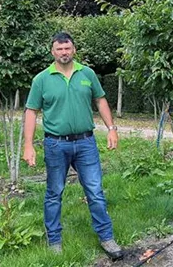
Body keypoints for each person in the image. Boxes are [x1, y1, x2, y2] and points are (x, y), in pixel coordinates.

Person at [23, 32, 124, 261]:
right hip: (56, 145)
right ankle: (55, 240)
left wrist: (112, 129)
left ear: (74, 50)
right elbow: (31, 111)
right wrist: (28, 145)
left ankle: (106, 237)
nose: (64, 52)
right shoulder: (42, 79)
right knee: (53, 193)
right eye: (59, 49)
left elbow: (100, 100)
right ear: (53, 52)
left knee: (95, 191)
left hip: (86, 143)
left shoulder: (86, 73)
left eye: (67, 48)